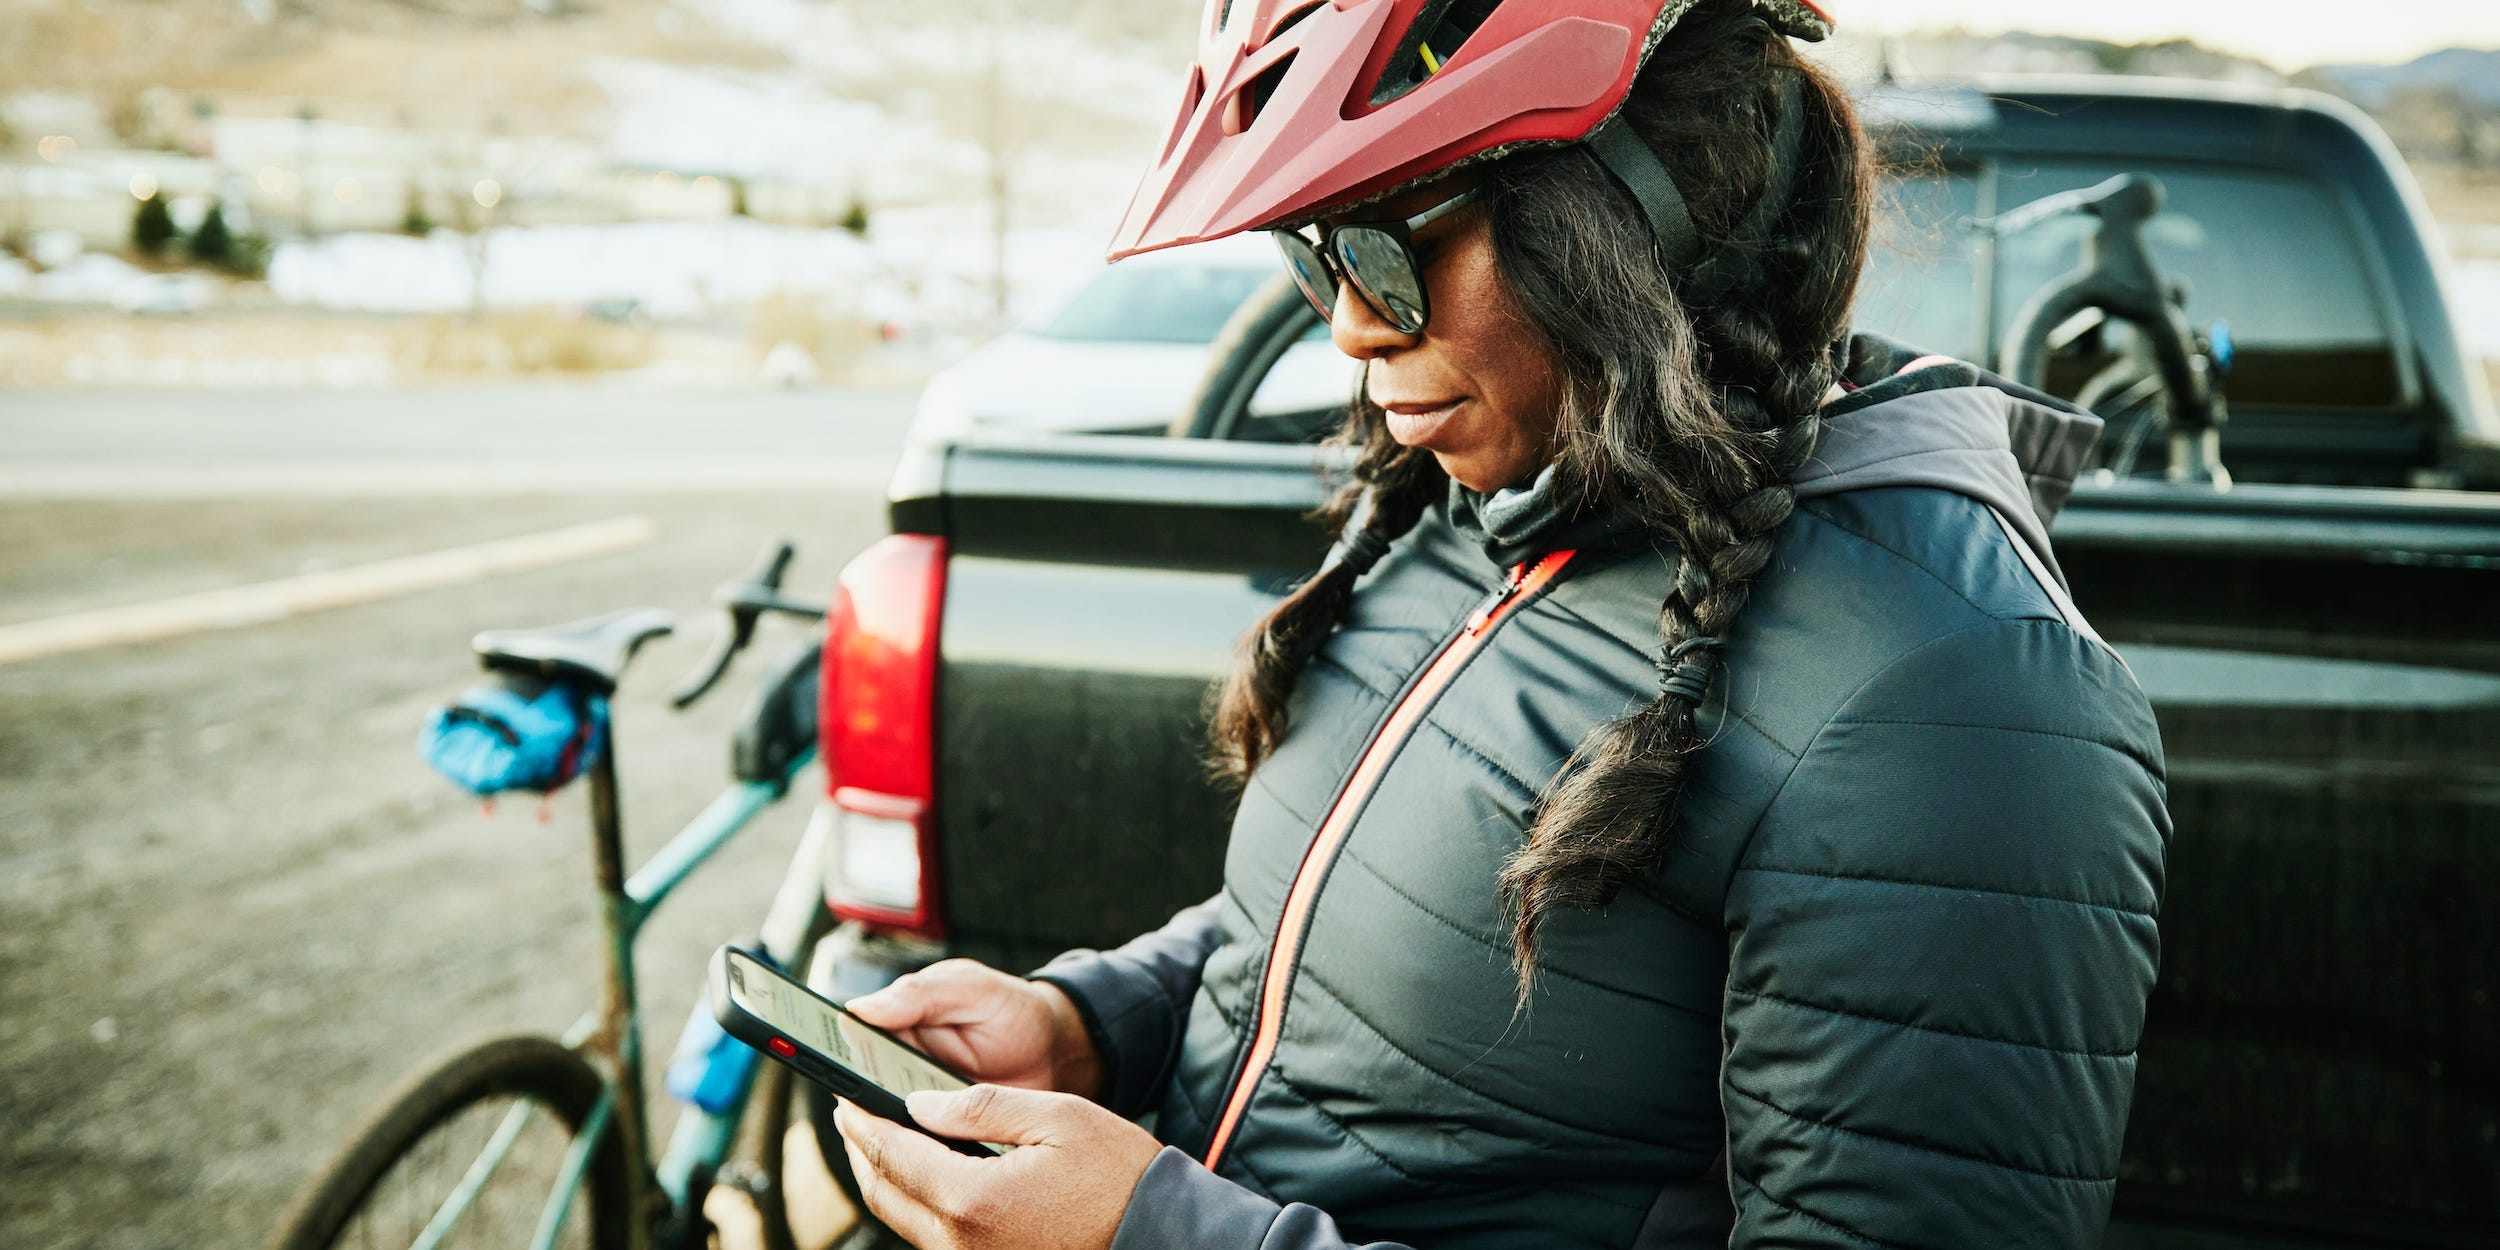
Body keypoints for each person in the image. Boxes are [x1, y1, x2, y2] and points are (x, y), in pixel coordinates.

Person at [830, 0, 2171, 1246]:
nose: (1350, 327)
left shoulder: (1950, 696)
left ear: (1631, 229)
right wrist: (1090, 1023)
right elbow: (1346, 929)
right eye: (1314, 250)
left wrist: (1156, 1231)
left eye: (1388, 249)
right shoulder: (1505, 498)